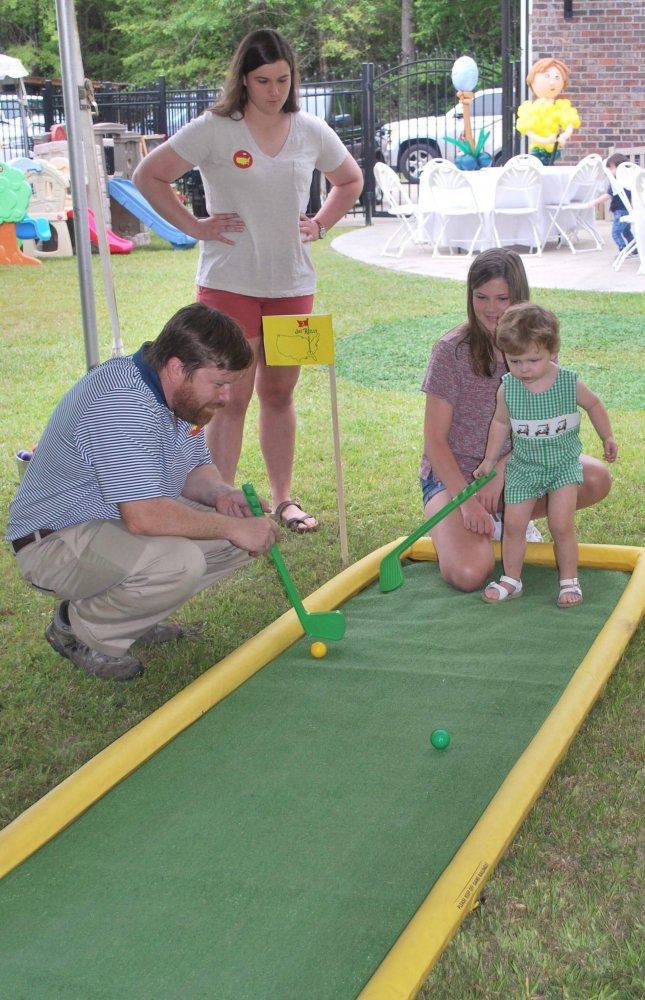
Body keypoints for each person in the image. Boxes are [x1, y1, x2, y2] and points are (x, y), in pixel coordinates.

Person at [133, 28, 364, 534]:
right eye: (263, 80)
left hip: (291, 285)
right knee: (229, 396)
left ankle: (284, 499)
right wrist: (192, 226)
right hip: (228, 283)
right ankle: (224, 500)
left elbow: (351, 180)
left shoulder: (310, 130)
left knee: (279, 395)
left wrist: (320, 223)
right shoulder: (215, 129)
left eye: (283, 79)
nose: (274, 90)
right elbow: (149, 174)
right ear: (243, 78)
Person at [6, 304, 281, 681]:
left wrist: (220, 495)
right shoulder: (120, 402)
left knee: (235, 534)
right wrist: (228, 526)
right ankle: (77, 628)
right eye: (218, 384)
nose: (227, 398)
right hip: (53, 543)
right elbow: (144, 516)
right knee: (180, 560)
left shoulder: (172, 395)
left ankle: (132, 616)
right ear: (175, 368)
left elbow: (191, 469)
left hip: (107, 522)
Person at [420, 247, 613, 593]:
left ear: (519, 296)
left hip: (525, 463)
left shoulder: (536, 344)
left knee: (597, 477)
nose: (492, 309)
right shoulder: (450, 350)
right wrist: (465, 500)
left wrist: (502, 468)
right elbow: (434, 442)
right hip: (455, 479)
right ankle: (481, 521)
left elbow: (551, 418)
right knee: (468, 574)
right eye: (481, 297)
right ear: (470, 296)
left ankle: (511, 517)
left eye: (502, 298)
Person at [473, 303, 618, 607]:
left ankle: (569, 581)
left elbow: (593, 404)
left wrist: (607, 436)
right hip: (524, 468)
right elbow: (500, 423)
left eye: (532, 360)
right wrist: (489, 460)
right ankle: (512, 580)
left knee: (560, 524)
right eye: (515, 361)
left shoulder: (567, 382)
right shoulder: (508, 389)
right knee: (513, 525)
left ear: (552, 351)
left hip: (562, 466)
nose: (524, 368)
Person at [516, 57, 580, 164]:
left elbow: (569, 122)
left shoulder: (560, 106)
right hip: (537, 150)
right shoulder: (530, 108)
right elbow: (528, 130)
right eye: (547, 76)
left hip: (553, 149)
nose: (552, 82)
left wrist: (563, 136)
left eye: (557, 77)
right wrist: (545, 140)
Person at [586, 152, 635, 256]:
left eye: (611, 168)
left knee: (616, 233)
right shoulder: (630, 180)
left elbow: (608, 195)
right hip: (629, 210)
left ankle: (624, 251)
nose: (609, 171)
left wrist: (594, 202)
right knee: (627, 232)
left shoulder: (617, 182)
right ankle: (634, 250)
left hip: (620, 211)